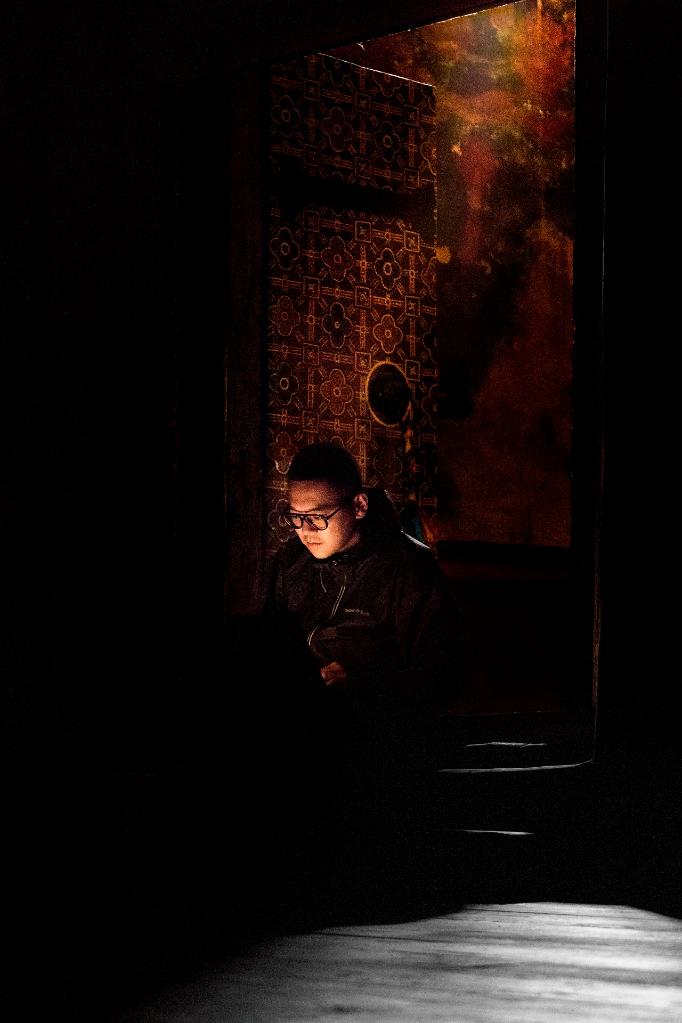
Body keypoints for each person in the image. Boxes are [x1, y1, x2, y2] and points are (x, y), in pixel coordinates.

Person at [260, 440, 452, 914]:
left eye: (318, 517)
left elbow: (438, 675)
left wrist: (362, 681)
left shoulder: (408, 569)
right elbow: (270, 644)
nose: (305, 530)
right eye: (295, 516)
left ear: (359, 506)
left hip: (379, 729)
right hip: (302, 716)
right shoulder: (289, 565)